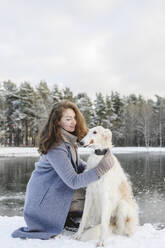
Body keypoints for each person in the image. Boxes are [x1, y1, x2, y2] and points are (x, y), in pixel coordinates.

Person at [11, 100, 114, 240]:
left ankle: (68, 215)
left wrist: (99, 164)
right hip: (43, 205)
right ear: (58, 122)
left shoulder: (68, 141)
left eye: (74, 118)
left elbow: (79, 165)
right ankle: (62, 217)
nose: (73, 122)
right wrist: (101, 169)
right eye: (68, 119)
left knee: (97, 197)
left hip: (55, 192)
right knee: (94, 201)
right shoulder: (56, 146)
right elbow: (73, 181)